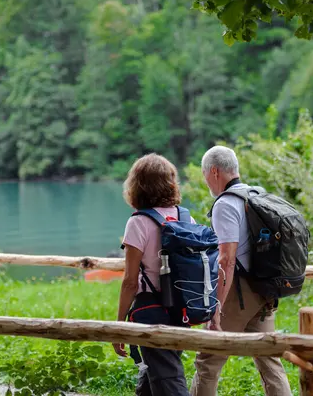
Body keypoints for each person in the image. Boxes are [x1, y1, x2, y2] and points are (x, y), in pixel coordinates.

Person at [191, 145, 292, 396]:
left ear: (214, 171)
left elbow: (227, 259)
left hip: (238, 291)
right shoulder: (256, 194)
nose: (206, 181)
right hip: (265, 289)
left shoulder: (225, 204)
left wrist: (217, 307)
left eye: (205, 175)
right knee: (269, 357)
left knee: (208, 359)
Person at [113, 153, 191, 396]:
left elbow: (129, 282)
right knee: (155, 372)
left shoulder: (138, 222)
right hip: (182, 309)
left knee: (168, 379)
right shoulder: (184, 217)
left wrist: (118, 325)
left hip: (150, 310)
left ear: (137, 185)